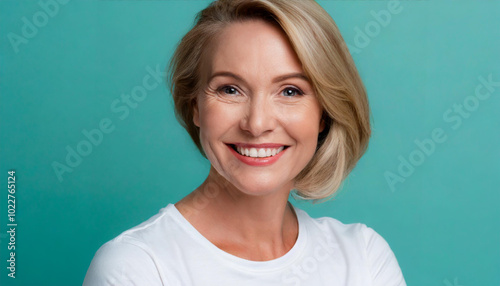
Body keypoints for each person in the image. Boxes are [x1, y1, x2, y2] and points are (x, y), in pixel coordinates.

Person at [83, 0, 407, 285]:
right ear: (195, 105)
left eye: (290, 91)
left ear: (324, 113)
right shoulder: (136, 269)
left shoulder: (364, 257)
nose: (257, 124)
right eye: (230, 89)